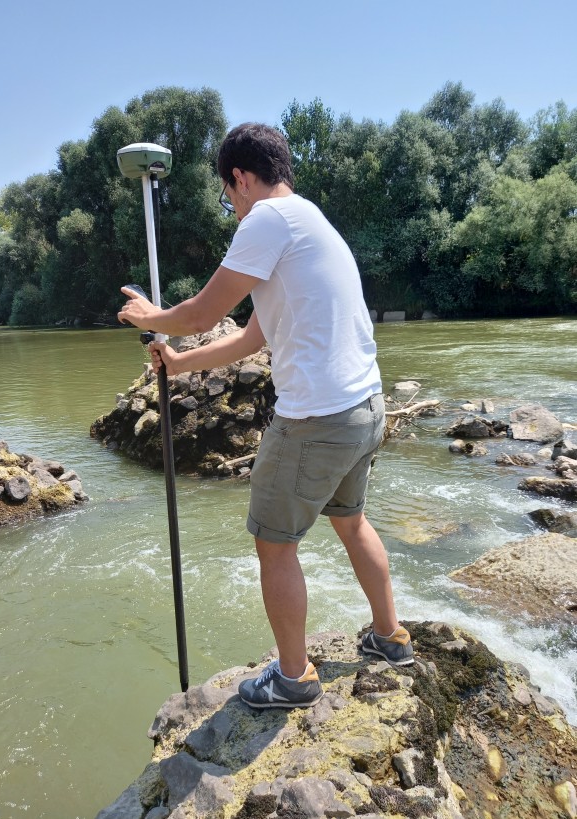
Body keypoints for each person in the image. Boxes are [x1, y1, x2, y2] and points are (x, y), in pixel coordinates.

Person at [118, 123, 413, 710]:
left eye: (229, 195)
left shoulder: (267, 221)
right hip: (364, 410)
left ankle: (293, 679)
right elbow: (254, 336)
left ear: (241, 179)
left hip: (315, 421)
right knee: (351, 521)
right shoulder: (309, 221)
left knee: (274, 545)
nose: (231, 207)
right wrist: (178, 364)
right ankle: (390, 638)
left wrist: (153, 314)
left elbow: (204, 310)